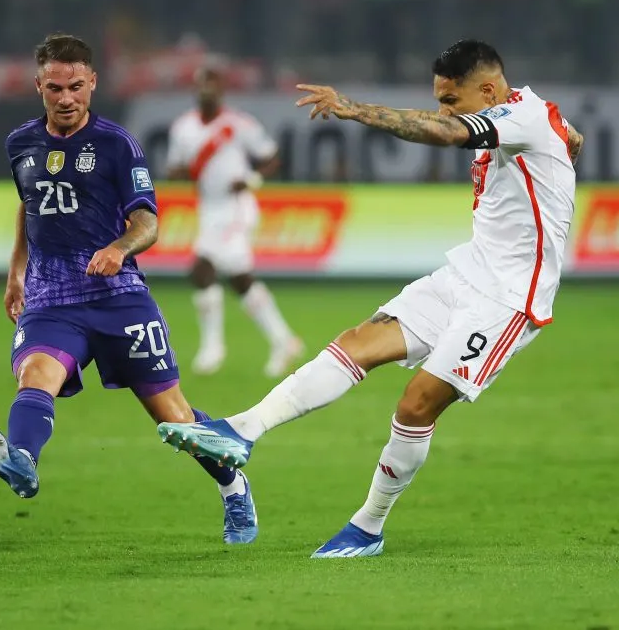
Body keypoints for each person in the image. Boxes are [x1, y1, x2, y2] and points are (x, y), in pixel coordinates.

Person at [155, 40, 584, 557]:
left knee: (417, 403)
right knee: (357, 342)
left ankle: (368, 526)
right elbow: (569, 136)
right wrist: (566, 149)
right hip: (466, 273)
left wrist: (351, 109)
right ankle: (241, 431)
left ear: (489, 90)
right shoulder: (537, 114)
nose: (444, 110)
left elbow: (446, 133)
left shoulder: (521, 117)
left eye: (452, 99)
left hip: (509, 298)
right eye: (441, 99)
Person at [0, 34, 258, 544]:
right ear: (39, 85)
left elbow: (149, 222)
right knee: (36, 376)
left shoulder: (116, 145)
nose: (66, 98)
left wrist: (121, 249)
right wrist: (15, 272)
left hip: (117, 296)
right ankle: (22, 462)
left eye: (76, 87)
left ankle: (233, 486)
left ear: (92, 83)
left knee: (175, 419)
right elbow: (29, 205)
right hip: (51, 296)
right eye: (55, 88)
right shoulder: (20, 144)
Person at [165, 63, 304, 377]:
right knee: (240, 280)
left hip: (237, 207)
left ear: (222, 90)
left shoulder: (239, 124)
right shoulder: (183, 128)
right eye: (202, 84)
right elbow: (176, 168)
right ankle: (283, 340)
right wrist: (179, 172)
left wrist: (251, 180)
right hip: (209, 208)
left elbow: (272, 158)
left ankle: (213, 347)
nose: (207, 91)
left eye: (213, 85)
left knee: (201, 269)